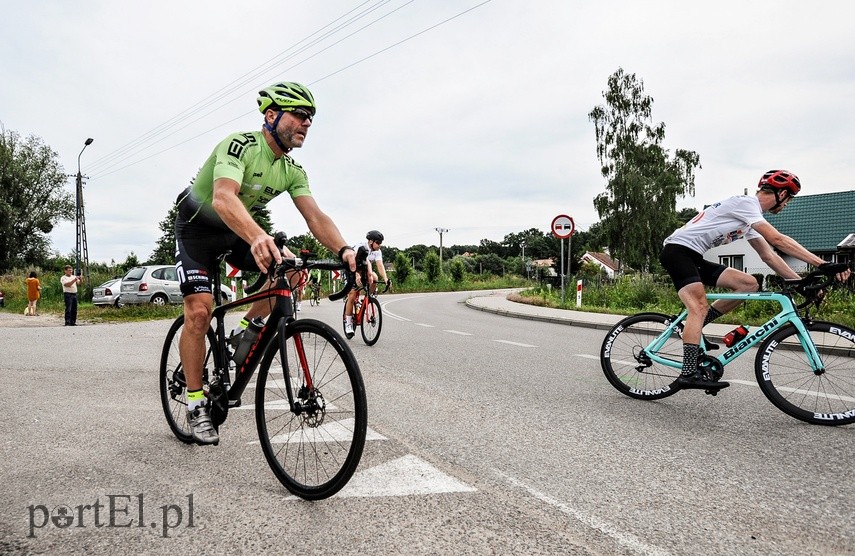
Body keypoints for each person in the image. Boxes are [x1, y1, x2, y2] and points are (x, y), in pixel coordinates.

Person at [174, 82, 357, 445]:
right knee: (199, 312)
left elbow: (316, 217)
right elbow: (224, 198)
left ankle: (248, 327)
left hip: (237, 231)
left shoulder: (291, 170)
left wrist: (345, 251)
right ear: (271, 115)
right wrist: (259, 236)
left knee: (289, 266)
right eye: (300, 115)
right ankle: (195, 403)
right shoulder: (239, 146)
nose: (307, 123)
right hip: (197, 230)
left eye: (310, 119)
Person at [660, 169, 851, 391]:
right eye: (789, 199)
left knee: (749, 284)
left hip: (693, 256)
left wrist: (800, 283)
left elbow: (768, 255)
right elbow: (777, 239)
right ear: (780, 194)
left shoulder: (748, 220)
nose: (787, 205)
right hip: (677, 252)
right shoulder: (746, 204)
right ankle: (688, 373)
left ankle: (696, 327)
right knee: (698, 307)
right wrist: (823, 264)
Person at [344, 230, 391, 339]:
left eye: (381, 243)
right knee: (351, 295)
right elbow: (352, 262)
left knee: (374, 278)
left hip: (365, 270)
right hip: (351, 269)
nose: (380, 245)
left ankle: (367, 298)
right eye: (378, 242)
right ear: (370, 241)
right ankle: (349, 323)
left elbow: (380, 265)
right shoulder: (360, 247)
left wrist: (386, 279)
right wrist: (356, 275)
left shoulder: (377, 251)